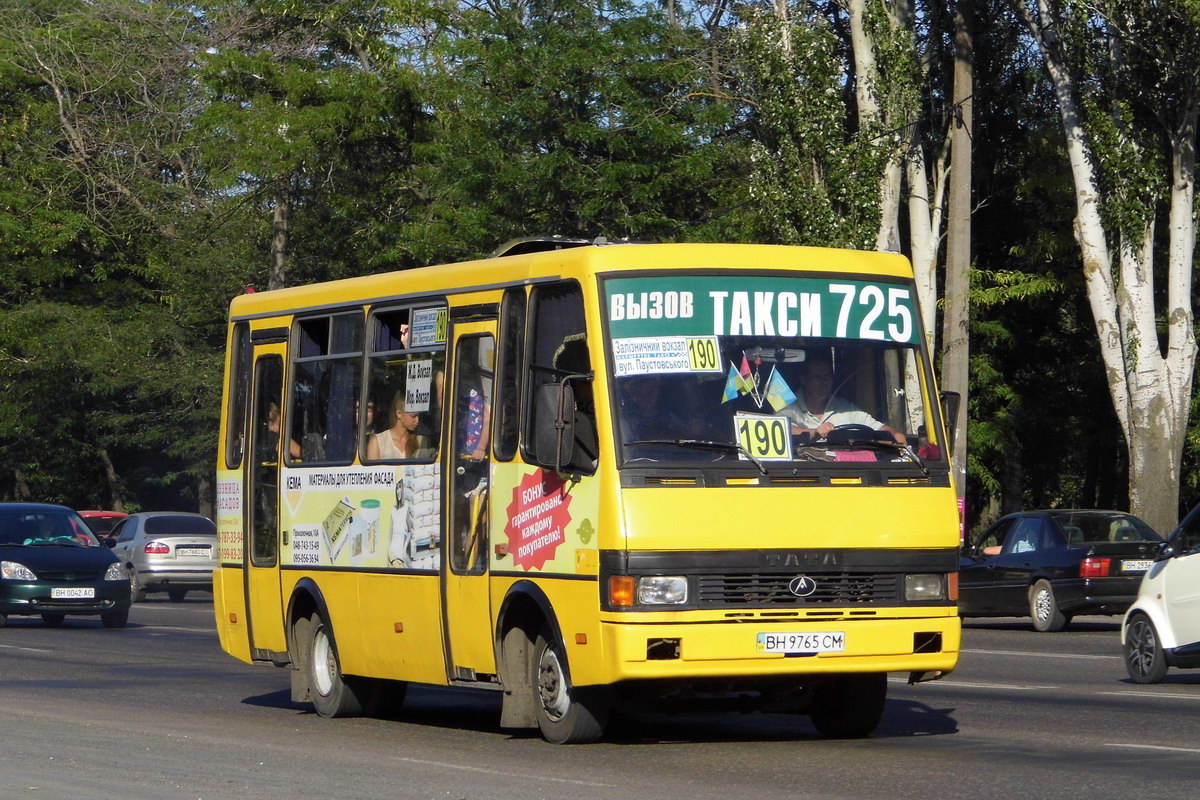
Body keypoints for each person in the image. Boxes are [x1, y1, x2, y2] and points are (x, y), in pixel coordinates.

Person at [782, 354, 906, 444]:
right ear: (803, 379)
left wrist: (894, 435)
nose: (824, 381)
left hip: (845, 472)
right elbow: (782, 430)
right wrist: (815, 432)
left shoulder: (843, 408)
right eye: (818, 376)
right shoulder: (789, 406)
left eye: (827, 375)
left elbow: (878, 427)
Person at [367, 391, 433, 460]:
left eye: (419, 416)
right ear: (399, 413)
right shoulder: (378, 442)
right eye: (413, 416)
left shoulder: (421, 441)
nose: (417, 420)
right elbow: (373, 470)